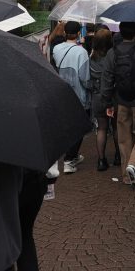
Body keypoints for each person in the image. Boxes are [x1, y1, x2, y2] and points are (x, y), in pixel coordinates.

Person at [100, 20, 135, 188]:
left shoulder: (112, 53)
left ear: (120, 32)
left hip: (121, 101)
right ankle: (134, 165)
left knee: (124, 138)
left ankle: (127, 176)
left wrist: (107, 101)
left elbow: (107, 79)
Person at [51, 20, 90, 172]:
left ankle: (69, 156)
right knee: (79, 127)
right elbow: (85, 78)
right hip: (78, 95)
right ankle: (69, 159)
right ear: (79, 33)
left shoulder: (56, 48)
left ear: (65, 32)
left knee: (67, 126)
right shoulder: (82, 52)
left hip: (62, 94)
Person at [89, 25, 118, 171]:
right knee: (116, 126)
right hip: (113, 96)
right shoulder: (113, 56)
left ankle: (101, 160)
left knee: (101, 128)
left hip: (97, 97)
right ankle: (119, 156)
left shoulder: (91, 58)